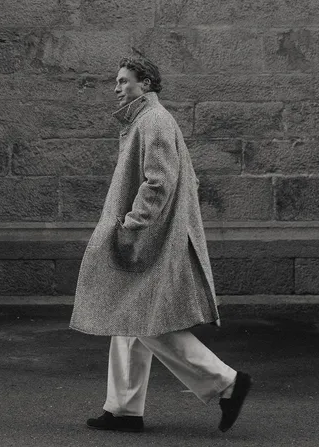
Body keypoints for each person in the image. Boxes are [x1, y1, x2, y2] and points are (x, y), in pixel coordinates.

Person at [69, 56, 252, 433]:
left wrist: (132, 226)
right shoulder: (145, 121)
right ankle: (123, 409)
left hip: (150, 239)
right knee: (127, 315)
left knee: (148, 319)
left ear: (146, 83)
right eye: (117, 81)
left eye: (124, 81)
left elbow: (159, 182)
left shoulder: (154, 120)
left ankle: (226, 382)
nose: (116, 88)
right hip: (152, 237)